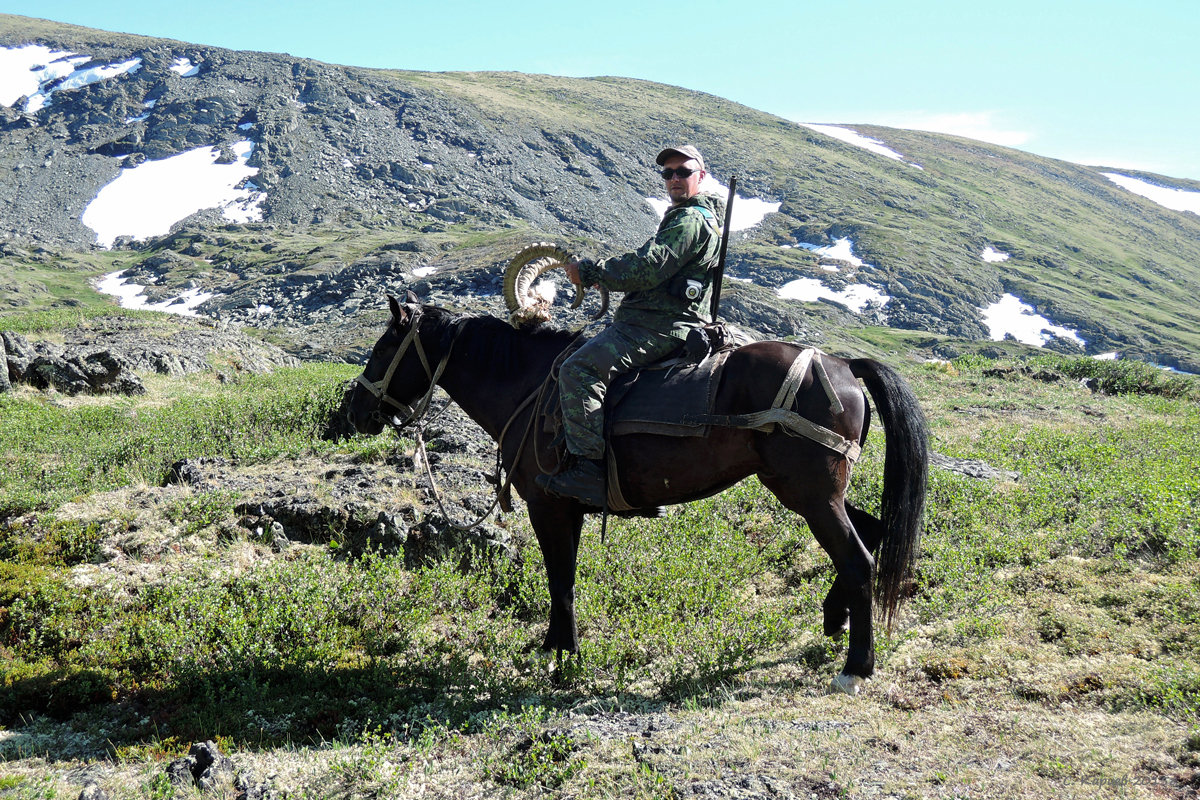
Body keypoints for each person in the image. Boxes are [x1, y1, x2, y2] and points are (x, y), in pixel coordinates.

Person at [536, 144, 727, 507]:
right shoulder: (694, 216)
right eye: (667, 173)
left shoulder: (689, 220)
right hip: (665, 321)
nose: (674, 179)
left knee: (578, 369)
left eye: (683, 172)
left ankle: (588, 470)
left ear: (700, 176)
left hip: (656, 326)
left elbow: (650, 266)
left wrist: (592, 271)